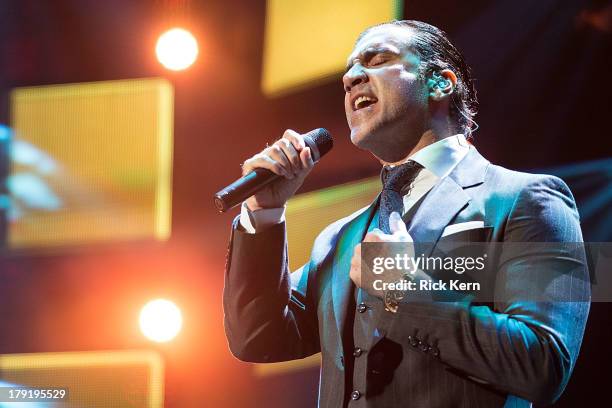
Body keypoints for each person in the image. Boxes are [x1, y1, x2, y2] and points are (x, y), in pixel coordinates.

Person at [223, 20, 590, 407]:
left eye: (377, 59)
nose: (351, 78)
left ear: (439, 83)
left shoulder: (526, 199)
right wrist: (263, 212)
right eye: (348, 71)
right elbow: (257, 338)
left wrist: (404, 290)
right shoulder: (338, 238)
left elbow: (544, 364)